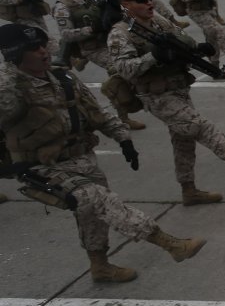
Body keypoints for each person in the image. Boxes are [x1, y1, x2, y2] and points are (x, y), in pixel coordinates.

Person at [0, 23, 205, 282]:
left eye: (42, 45)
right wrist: (8, 67)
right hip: (42, 167)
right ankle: (170, 244)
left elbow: (94, 109)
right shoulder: (9, 88)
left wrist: (122, 138)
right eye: (32, 49)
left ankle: (100, 265)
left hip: (80, 158)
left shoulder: (61, 76)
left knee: (91, 215)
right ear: (15, 55)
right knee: (99, 200)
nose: (42, 52)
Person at [108, 0, 225, 206]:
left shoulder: (157, 22)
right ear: (124, 5)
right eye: (140, 0)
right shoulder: (120, 33)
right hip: (155, 95)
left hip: (178, 88)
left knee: (183, 140)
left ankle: (188, 190)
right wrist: (154, 56)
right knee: (198, 126)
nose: (149, 2)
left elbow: (181, 38)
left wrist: (196, 48)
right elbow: (124, 69)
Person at [51, 0, 146, 129]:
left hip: (109, 41)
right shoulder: (63, 6)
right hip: (92, 47)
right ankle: (123, 117)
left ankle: (80, 61)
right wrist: (92, 29)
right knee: (119, 71)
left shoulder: (93, 0)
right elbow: (66, 34)